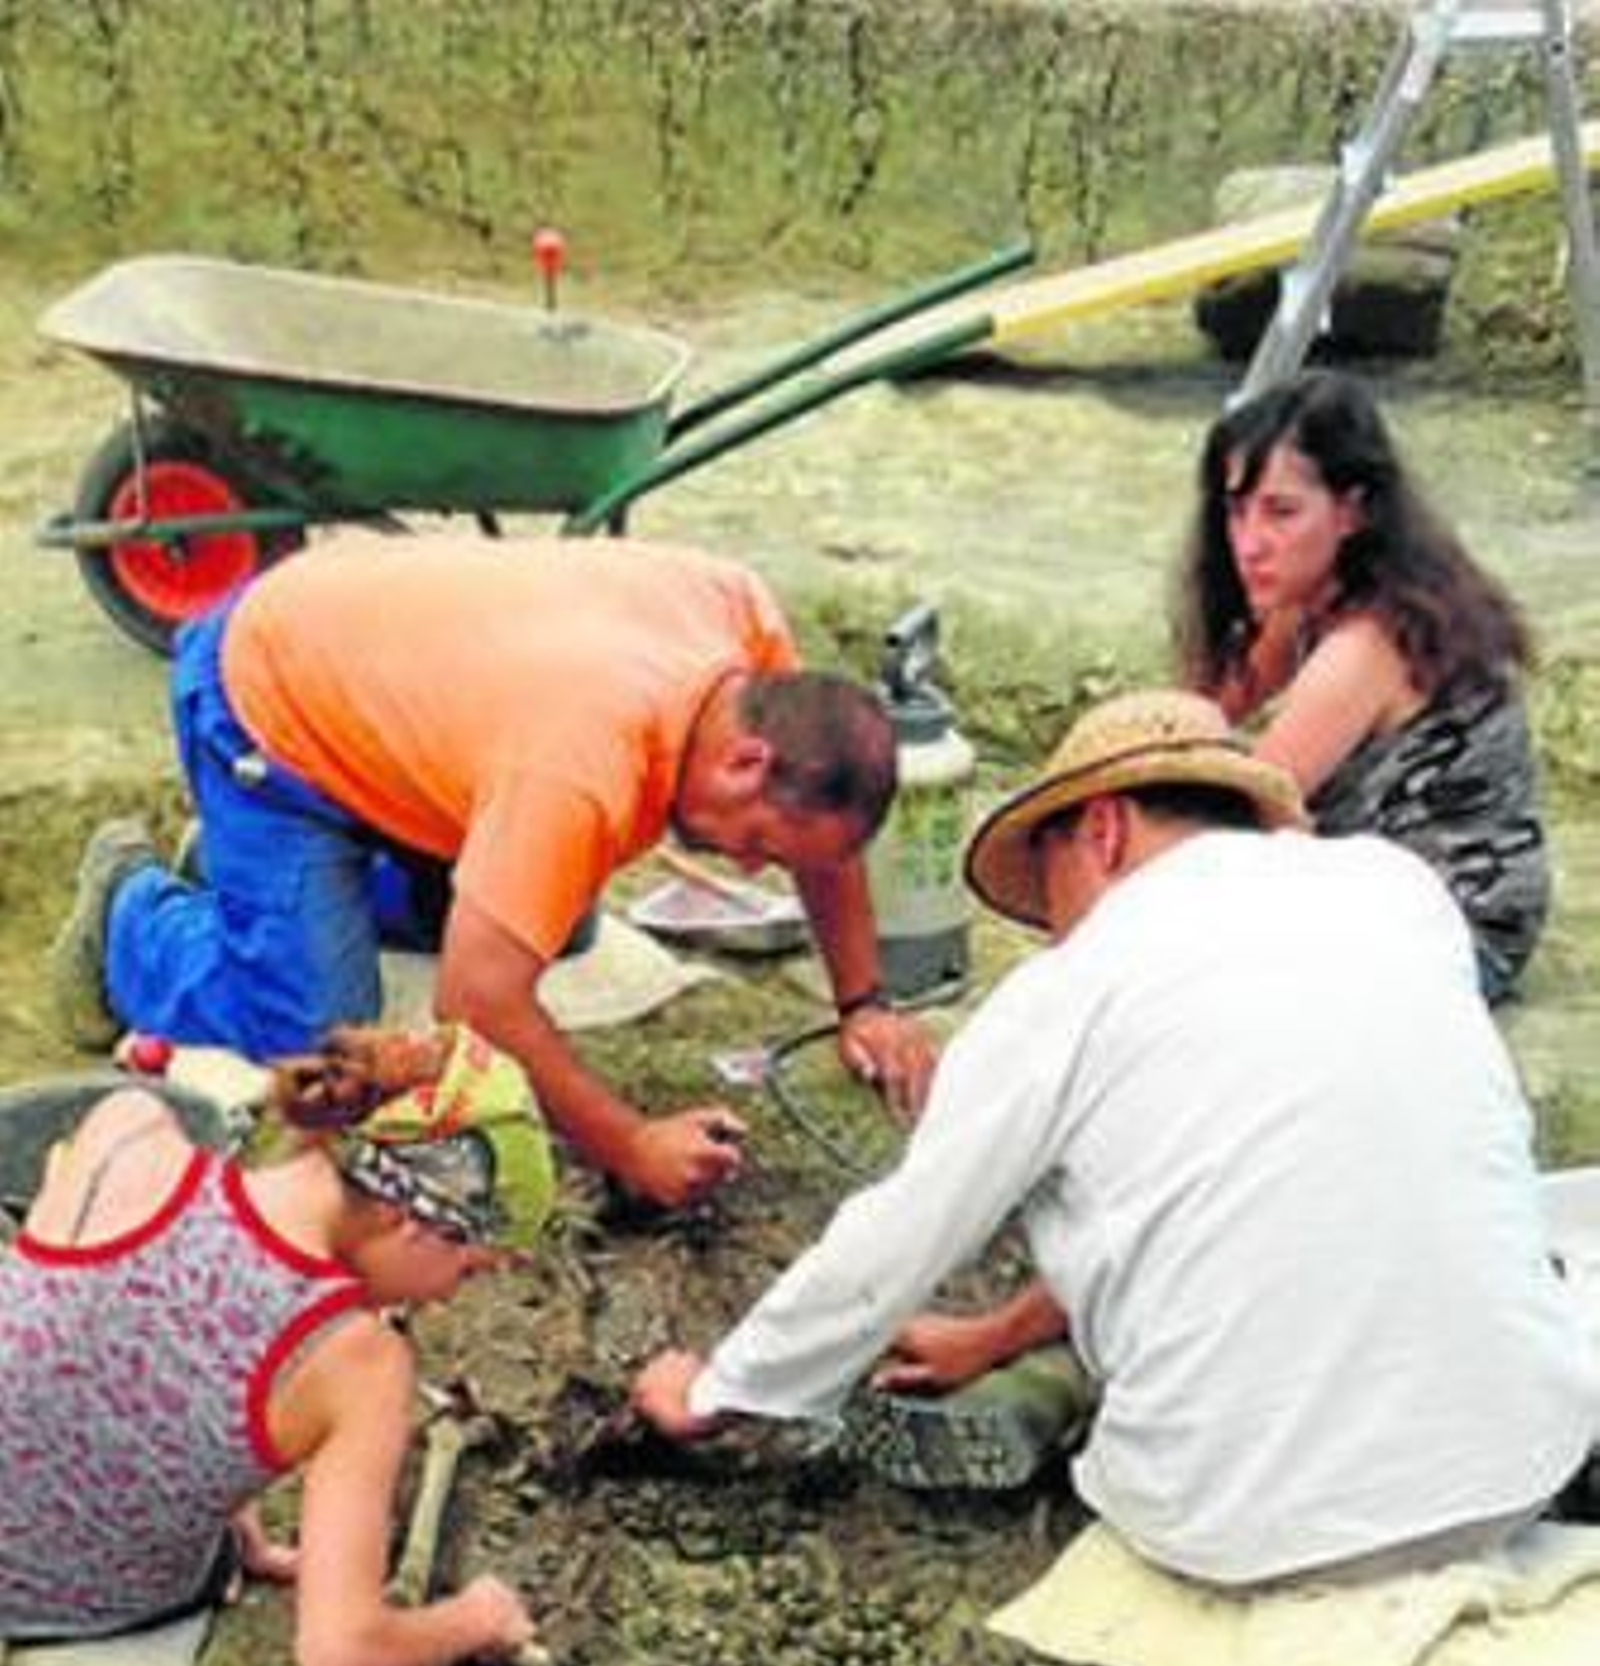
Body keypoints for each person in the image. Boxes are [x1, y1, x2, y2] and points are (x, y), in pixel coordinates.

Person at [632, 691, 1599, 1590]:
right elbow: (1271, 1172)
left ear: (1102, 830)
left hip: (1244, 1530)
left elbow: (895, 1239)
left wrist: (720, 1390)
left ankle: (1071, 1387)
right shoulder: (1397, 891)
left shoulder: (1069, 988)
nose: (1056, 930)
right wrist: (992, 1336)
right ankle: (1056, 1365)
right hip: (1516, 1470)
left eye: (1050, 892)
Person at [50, 534, 936, 1211]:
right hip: (266, 703)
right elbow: (475, 1003)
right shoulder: (580, 768)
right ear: (746, 763)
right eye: (760, 845)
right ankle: (132, 910)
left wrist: (864, 1001)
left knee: (557, 923)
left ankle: (258, 882)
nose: (747, 865)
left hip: (391, 684)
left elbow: (825, 842)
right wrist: (629, 1144)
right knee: (321, 1041)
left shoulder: (746, 632)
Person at [0, 1022, 549, 1666]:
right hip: (70, 1593)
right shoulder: (358, 1361)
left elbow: (67, 1336)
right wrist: (477, 1618)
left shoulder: (129, 1129)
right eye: (468, 1270)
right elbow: (340, 1655)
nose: (446, 1296)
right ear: (415, 1222)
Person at [1176, 370, 1548, 1003]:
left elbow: (1243, 812)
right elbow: (1190, 721)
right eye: (1235, 511)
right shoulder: (1307, 601)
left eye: (1280, 512)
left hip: (1454, 934)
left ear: (1351, 511)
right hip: (1377, 900)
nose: (1249, 544)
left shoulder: (1367, 644)